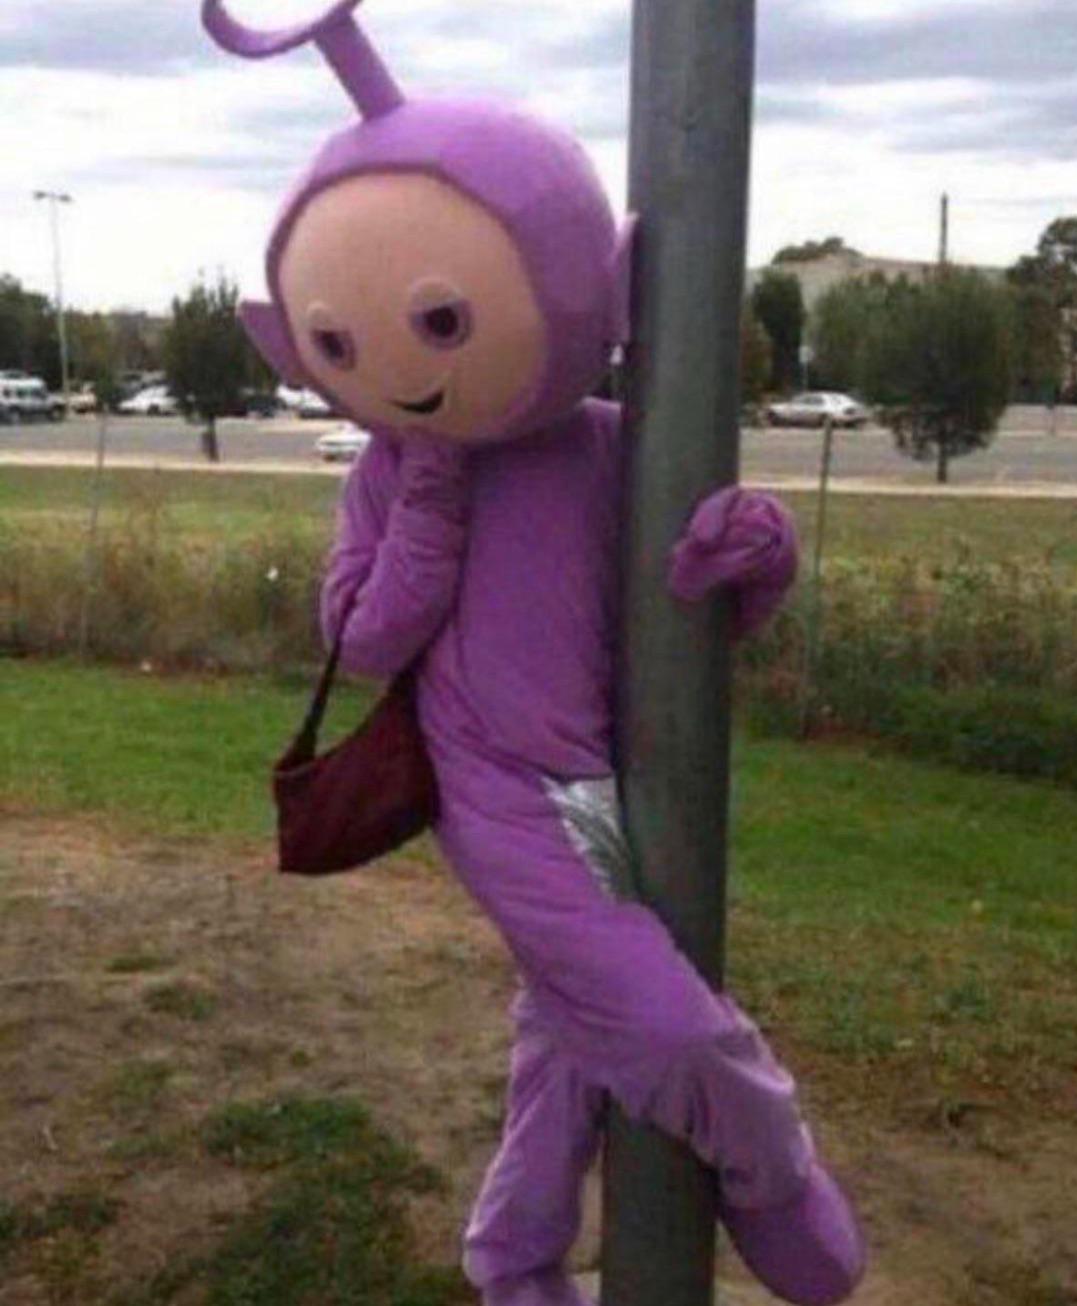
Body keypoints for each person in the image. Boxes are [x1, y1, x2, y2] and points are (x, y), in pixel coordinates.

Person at [202, 4, 865, 1303]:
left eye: (438, 320)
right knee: (668, 1024)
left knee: (567, 1036)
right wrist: (431, 485)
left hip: (620, 771)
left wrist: (755, 551)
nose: (394, 369)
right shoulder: (388, 473)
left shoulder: (611, 443)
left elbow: (689, 610)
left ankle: (512, 1259)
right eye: (339, 345)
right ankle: (773, 1173)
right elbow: (364, 635)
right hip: (491, 791)